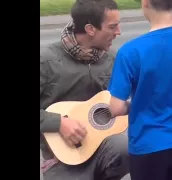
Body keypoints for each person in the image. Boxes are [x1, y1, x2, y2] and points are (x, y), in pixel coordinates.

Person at [106, 0, 172, 179]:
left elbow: (115, 108)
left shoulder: (130, 52)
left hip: (146, 144)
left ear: (145, 3)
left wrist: (139, 102)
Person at [40, 0, 129, 179]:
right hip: (62, 159)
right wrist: (59, 123)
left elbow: (124, 103)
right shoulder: (46, 60)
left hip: (104, 149)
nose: (118, 32)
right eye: (112, 27)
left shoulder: (113, 59)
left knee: (130, 146)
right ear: (90, 29)